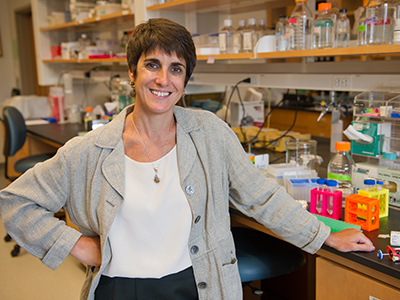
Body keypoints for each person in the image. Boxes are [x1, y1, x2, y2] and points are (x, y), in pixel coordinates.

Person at [0, 18, 374, 300]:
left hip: (196, 285)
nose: (164, 79)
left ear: (185, 80)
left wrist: (326, 235)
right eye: (152, 65)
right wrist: (77, 245)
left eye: (176, 69)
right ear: (132, 72)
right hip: (119, 288)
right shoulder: (89, 151)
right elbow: (14, 202)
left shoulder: (209, 133)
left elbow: (262, 195)